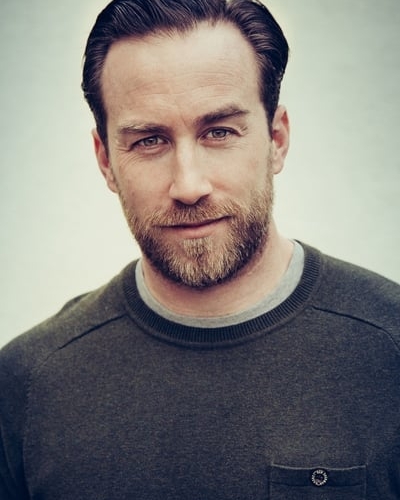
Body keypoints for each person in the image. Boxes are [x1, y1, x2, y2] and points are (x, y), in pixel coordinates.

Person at [1, 0, 399, 498]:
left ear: (276, 139)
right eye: (149, 141)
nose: (188, 186)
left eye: (219, 132)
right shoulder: (26, 384)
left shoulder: (389, 346)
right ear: (105, 161)